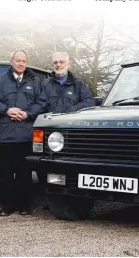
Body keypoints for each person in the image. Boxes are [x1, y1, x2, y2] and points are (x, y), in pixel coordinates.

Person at [0, 50, 48, 216]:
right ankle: (7, 206)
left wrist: (28, 113)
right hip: (5, 135)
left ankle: (24, 205)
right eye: (17, 60)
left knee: (25, 174)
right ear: (11, 61)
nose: (20, 64)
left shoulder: (35, 82)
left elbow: (43, 102)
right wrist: (6, 110)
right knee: (5, 173)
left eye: (24, 61)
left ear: (27, 62)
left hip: (26, 134)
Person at [39, 52, 95, 210]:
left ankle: (72, 196)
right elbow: (38, 102)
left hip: (72, 133)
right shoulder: (45, 84)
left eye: (62, 62)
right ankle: (49, 198)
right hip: (49, 132)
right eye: (55, 62)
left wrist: (71, 111)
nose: (58, 65)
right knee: (46, 164)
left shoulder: (79, 85)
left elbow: (89, 101)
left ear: (68, 64)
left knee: (69, 164)